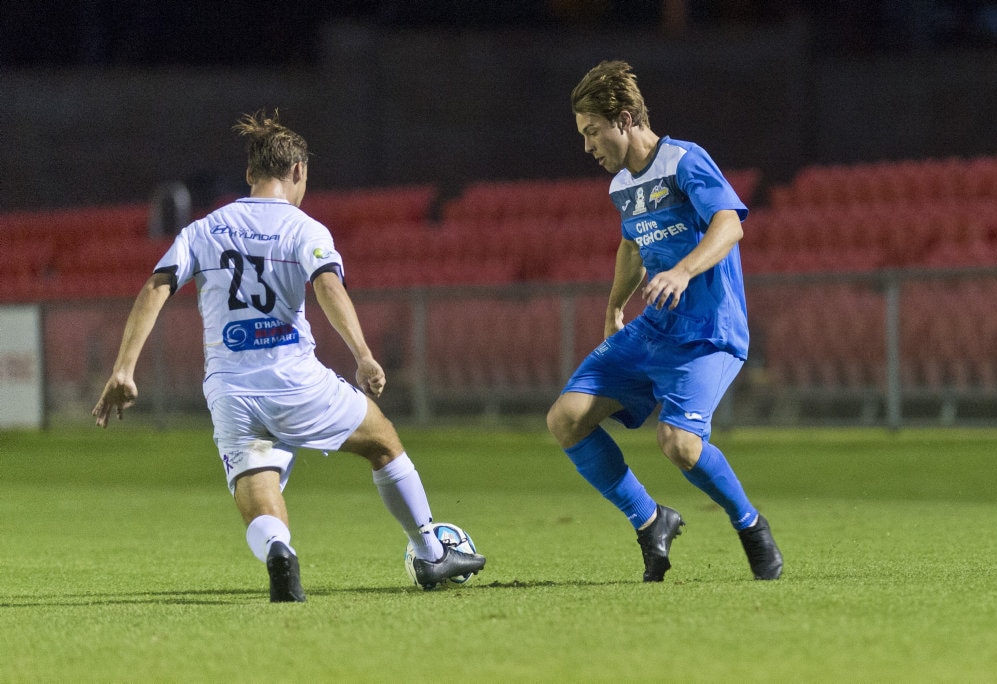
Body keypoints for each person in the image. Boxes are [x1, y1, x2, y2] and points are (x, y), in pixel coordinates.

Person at [92, 109, 485, 600]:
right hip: (295, 379)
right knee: (382, 441)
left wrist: (123, 369)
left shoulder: (204, 229)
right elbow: (328, 286)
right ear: (298, 172)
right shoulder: (306, 229)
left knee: (258, 486)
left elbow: (157, 287)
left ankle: (279, 548)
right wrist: (362, 352)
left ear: (250, 175)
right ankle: (431, 551)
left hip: (231, 389)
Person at [547, 60, 782, 582]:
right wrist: (613, 305)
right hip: (655, 328)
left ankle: (749, 525)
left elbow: (729, 224)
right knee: (566, 418)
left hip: (708, 332)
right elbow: (633, 243)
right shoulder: (622, 186)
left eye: (592, 132)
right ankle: (651, 521)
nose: (587, 147)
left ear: (625, 119)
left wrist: (682, 269)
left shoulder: (684, 161)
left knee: (678, 444)